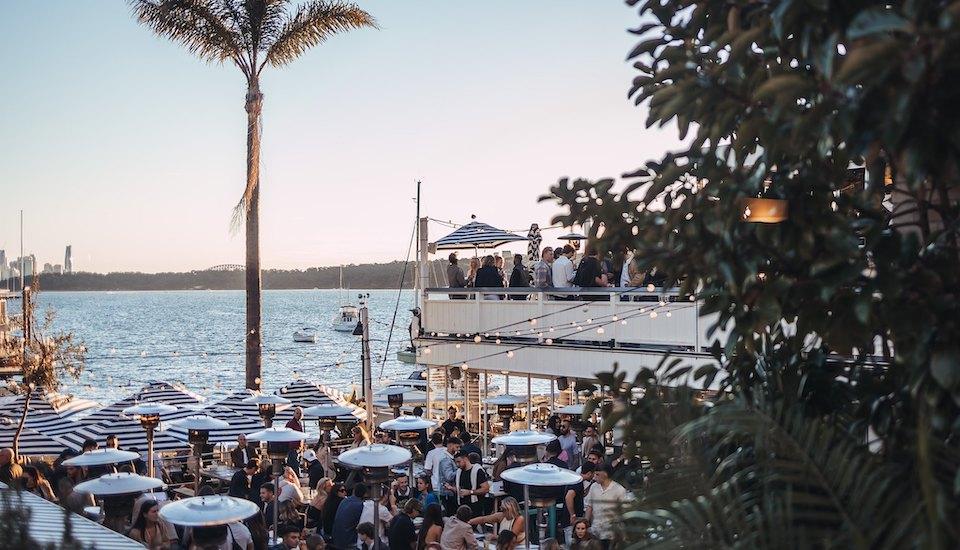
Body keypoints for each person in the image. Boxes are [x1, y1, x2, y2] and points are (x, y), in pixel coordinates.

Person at [585, 464, 627, 547]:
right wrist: (585, 523)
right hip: (596, 529)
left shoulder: (619, 489)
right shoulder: (594, 487)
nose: (594, 477)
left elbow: (624, 511)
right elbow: (589, 506)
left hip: (611, 532)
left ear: (605, 474)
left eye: (597, 474)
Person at [447, 451, 489, 518]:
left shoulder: (477, 471)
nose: (457, 464)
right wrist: (451, 488)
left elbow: (486, 489)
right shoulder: (458, 472)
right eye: (456, 462)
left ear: (465, 459)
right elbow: (459, 490)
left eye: (459, 462)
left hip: (475, 507)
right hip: (461, 506)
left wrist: (470, 492)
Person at [563, 462, 595, 542]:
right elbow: (568, 497)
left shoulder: (577, 481)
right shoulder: (577, 482)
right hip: (571, 521)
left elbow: (581, 494)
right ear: (589, 473)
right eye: (593, 474)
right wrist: (572, 515)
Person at [332, 484, 366, 549]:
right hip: (348, 541)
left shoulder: (344, 501)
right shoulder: (360, 505)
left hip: (336, 538)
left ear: (354, 491)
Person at [437, 437, 461, 515]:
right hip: (447, 494)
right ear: (450, 446)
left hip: (450, 492)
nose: (458, 449)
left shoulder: (450, 458)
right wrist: (460, 469)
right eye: (457, 447)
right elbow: (449, 476)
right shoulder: (446, 460)